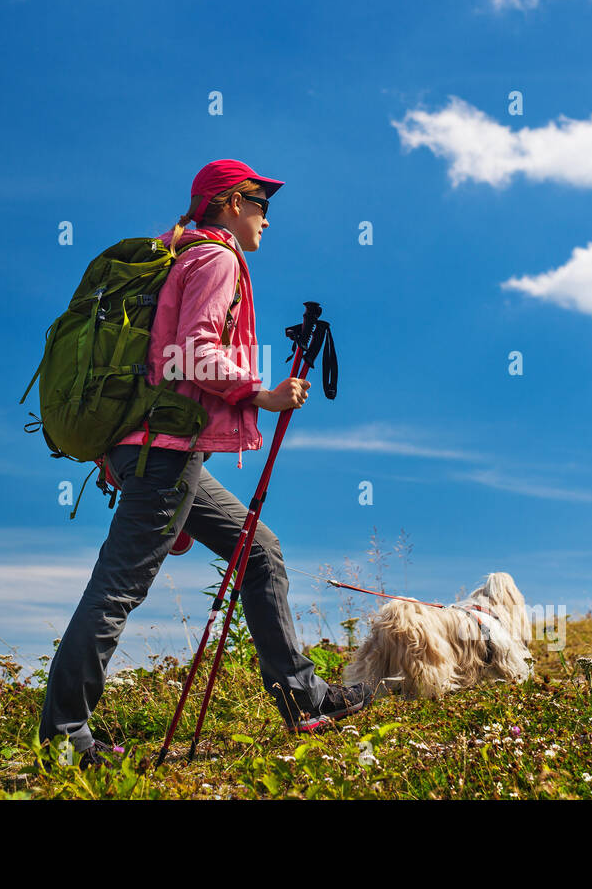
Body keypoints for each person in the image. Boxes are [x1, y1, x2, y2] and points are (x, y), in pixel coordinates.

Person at [37, 159, 374, 766]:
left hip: (160, 446)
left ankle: (304, 699)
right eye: (261, 203)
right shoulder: (217, 258)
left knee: (259, 550)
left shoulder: (183, 256)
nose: (267, 217)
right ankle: (64, 737)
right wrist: (260, 393)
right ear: (230, 203)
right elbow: (195, 352)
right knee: (118, 587)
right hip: (165, 451)